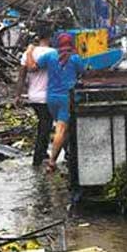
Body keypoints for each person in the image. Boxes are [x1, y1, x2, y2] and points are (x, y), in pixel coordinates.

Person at [28, 32, 83, 173]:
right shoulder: (75, 58)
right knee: (61, 129)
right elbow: (82, 73)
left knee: (63, 129)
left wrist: (29, 52)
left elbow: (32, 68)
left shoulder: (50, 56)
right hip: (67, 97)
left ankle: (69, 155)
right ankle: (52, 162)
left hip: (51, 97)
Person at [14, 26, 57, 167]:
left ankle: (43, 154)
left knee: (43, 125)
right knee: (46, 127)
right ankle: (38, 159)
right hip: (48, 97)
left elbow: (21, 77)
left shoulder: (28, 54)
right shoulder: (53, 53)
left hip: (33, 97)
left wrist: (18, 96)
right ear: (50, 38)